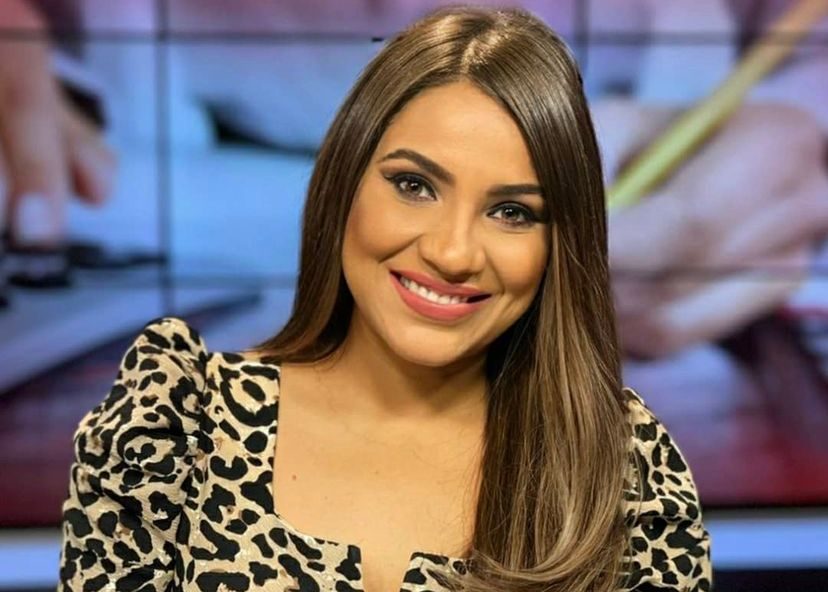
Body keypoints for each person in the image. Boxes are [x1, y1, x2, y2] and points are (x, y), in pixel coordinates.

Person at [57, 6, 712, 592]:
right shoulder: (177, 429)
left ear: (560, 244)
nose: (452, 253)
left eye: (512, 212)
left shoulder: (624, 471)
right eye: (414, 186)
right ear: (344, 182)